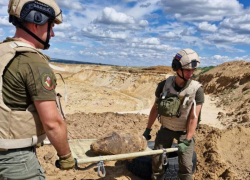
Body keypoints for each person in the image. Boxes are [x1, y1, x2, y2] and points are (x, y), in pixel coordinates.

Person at [0, 0, 75, 179]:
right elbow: (52, 123)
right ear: (36, 22)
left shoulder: (3, 51)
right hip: (14, 160)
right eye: (50, 27)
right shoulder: (32, 61)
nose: (53, 34)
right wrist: (66, 157)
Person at [143, 49, 204, 180]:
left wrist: (187, 140)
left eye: (193, 70)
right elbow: (155, 109)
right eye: (187, 70)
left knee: (186, 166)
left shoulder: (196, 90)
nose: (191, 73)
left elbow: (194, 117)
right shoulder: (164, 85)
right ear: (177, 68)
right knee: (157, 161)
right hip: (166, 128)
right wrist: (148, 129)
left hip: (184, 131)